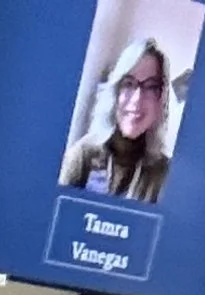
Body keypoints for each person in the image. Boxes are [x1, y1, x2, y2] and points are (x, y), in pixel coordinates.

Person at [62, 39, 174, 205]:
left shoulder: (165, 174)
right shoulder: (82, 156)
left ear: (161, 100)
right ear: (114, 92)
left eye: (150, 87)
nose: (137, 99)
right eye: (128, 84)